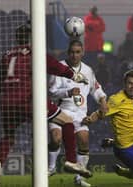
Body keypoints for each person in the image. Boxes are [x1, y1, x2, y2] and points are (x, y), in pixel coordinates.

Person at [0, 21, 91, 187]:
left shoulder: (7, 55)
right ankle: (70, 161)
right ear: (32, 37)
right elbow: (56, 67)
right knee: (67, 121)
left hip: (7, 102)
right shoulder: (35, 52)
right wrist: (74, 76)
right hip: (29, 99)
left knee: (9, 136)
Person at [48, 40, 108, 187]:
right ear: (68, 53)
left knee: (84, 139)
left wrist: (103, 100)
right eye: (72, 52)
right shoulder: (59, 68)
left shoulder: (88, 70)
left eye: (77, 52)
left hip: (80, 114)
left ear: (83, 53)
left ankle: (79, 178)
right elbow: (51, 92)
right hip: (61, 112)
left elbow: (96, 89)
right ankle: (51, 168)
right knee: (56, 138)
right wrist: (67, 92)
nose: (74, 55)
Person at [83, 69, 133, 179]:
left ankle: (114, 143)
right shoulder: (116, 100)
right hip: (127, 146)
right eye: (130, 83)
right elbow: (100, 112)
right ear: (125, 84)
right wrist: (91, 119)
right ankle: (125, 171)